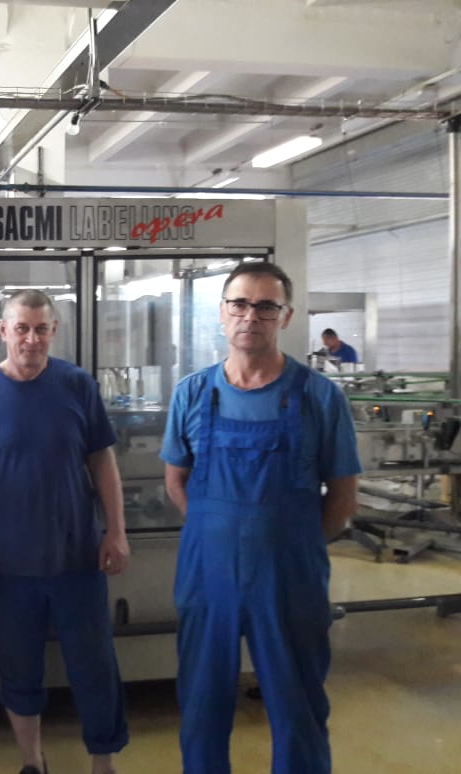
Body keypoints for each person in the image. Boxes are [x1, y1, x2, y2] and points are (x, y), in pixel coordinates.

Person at [161, 262, 361, 774]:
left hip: (290, 581)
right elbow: (176, 480)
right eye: (240, 304)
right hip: (208, 579)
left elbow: (342, 498)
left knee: (298, 708)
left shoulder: (320, 397)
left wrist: (290, 543)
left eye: (266, 306)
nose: (250, 316)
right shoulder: (192, 393)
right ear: (222, 312)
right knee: (202, 708)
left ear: (286, 316)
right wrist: (217, 531)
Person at [0, 290, 131, 774]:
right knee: (18, 666)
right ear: (3, 331)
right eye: (22, 328)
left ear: (54, 331)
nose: (31, 338)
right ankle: (33, 760)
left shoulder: (77, 385)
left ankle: (103, 762)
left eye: (41, 329)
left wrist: (116, 530)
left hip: (78, 557)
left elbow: (102, 460)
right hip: (11, 562)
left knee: (94, 665)